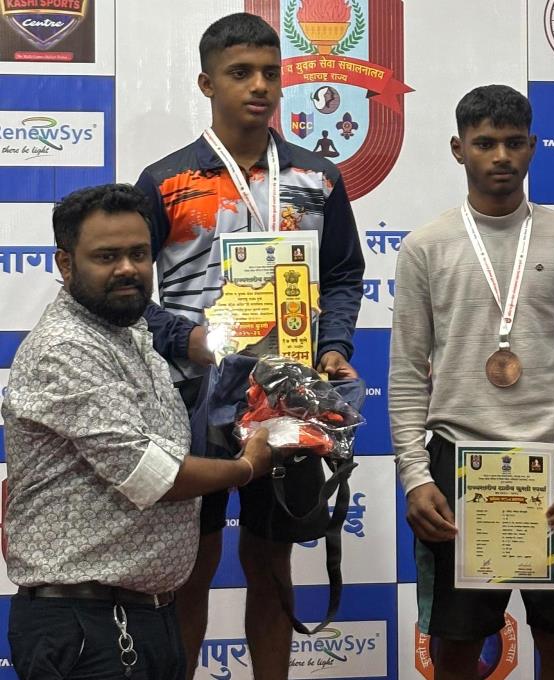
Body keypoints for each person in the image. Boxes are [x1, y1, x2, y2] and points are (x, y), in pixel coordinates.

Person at [133, 13, 364, 679]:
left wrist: (333, 344)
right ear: (207, 83)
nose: (259, 86)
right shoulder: (164, 180)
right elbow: (131, 293)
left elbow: (344, 274)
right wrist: (186, 338)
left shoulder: (318, 177)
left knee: (271, 561)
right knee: (190, 564)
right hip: (190, 400)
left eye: (270, 73)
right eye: (240, 73)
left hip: (287, 399)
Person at [1, 184, 272, 680]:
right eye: (107, 256)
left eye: (139, 254)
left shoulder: (128, 333)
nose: (127, 268)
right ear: (65, 264)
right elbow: (152, 475)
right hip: (87, 628)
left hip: (142, 615)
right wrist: (248, 466)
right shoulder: (68, 347)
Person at [389, 84, 554, 680]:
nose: (501, 157)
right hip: (457, 464)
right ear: (458, 149)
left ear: (533, 146)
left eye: (514, 143)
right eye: (485, 143)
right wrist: (415, 476)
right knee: (457, 647)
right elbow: (406, 372)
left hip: (552, 466)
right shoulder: (424, 247)